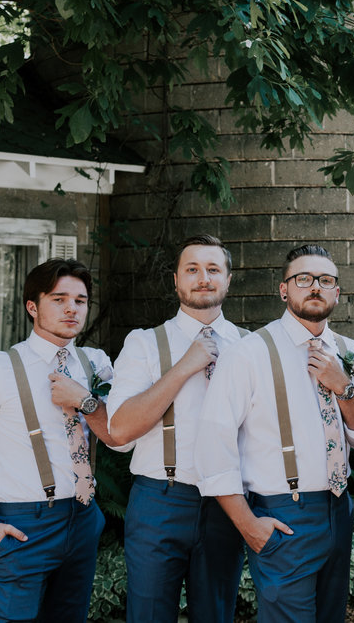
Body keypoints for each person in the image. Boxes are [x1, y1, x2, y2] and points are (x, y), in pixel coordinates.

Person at [194, 244, 354, 623]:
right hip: (282, 514)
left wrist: (343, 387)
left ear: (337, 292)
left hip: (338, 508)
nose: (315, 286)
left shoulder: (350, 351)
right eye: (304, 279)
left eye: (325, 280)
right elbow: (212, 448)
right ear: (284, 290)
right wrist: (249, 526)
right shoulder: (248, 353)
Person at [0, 258, 117, 623]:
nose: (71, 308)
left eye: (80, 301)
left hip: (82, 519)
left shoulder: (95, 364)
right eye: (58, 298)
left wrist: (85, 399)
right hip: (21, 527)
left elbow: (119, 437)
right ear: (32, 306)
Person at [106, 234, 246, 622]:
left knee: (216, 615)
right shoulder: (144, 344)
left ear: (228, 280)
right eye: (193, 269)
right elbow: (118, 429)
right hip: (159, 502)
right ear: (176, 280)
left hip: (226, 503)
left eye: (213, 269)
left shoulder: (250, 346)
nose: (203, 277)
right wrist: (185, 366)